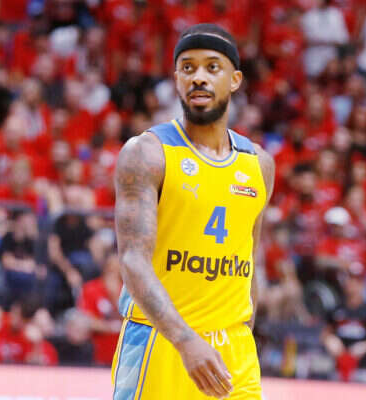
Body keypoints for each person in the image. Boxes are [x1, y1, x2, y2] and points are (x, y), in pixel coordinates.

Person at [112, 24, 274, 400]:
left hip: (233, 347)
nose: (198, 77)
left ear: (235, 80)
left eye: (212, 67)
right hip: (161, 341)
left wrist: (245, 331)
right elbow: (132, 260)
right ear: (176, 80)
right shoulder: (146, 153)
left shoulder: (259, 164)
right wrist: (186, 340)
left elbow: (250, 255)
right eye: (188, 68)